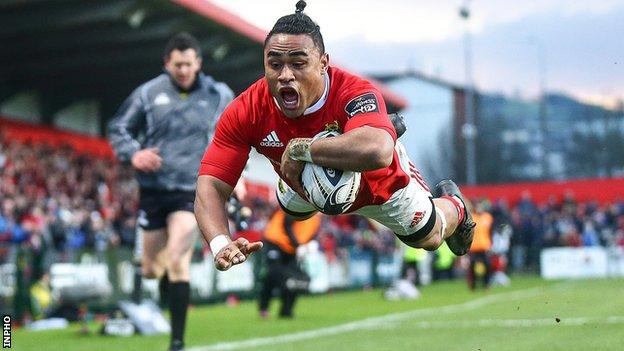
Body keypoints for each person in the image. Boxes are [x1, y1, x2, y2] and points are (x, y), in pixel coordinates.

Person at [194, 1, 475, 273]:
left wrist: (299, 150)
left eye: (298, 63)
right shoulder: (246, 110)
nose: (285, 75)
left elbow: (377, 152)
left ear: (323, 63)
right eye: (275, 64)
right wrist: (220, 242)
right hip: (301, 181)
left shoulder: (353, 90)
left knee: (429, 238)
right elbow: (211, 186)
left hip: (376, 183)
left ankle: (454, 205)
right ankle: (365, 133)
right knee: (293, 209)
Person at [108, 32, 233, 351]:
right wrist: (134, 153)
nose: (183, 71)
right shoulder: (148, 94)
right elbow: (119, 128)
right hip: (153, 190)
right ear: (167, 63)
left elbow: (233, 136)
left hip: (191, 189)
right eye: (177, 65)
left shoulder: (218, 94)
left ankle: (177, 341)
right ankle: (165, 281)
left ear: (198, 63)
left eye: (188, 65)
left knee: (178, 258)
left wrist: (235, 175)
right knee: (152, 269)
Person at [258, 210, 321, 318]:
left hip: (291, 249)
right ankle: (264, 307)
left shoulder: (316, 220)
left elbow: (311, 234)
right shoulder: (301, 206)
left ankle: (286, 310)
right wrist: (298, 245)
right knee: (273, 274)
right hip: (276, 242)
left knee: (293, 278)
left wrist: (310, 244)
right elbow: (287, 224)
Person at [467, 200, 493, 290]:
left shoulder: (488, 217)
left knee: (487, 266)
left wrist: (491, 244)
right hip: (474, 247)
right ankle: (473, 285)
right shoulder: (472, 217)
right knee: (472, 267)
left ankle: (486, 284)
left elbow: (491, 232)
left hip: (484, 246)